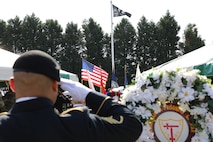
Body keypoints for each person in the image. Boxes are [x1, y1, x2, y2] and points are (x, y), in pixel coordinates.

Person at [0, 50, 142, 142]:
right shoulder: (77, 125)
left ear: (12, 85)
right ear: (56, 86)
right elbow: (131, 126)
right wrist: (88, 95)